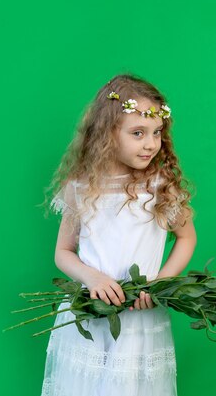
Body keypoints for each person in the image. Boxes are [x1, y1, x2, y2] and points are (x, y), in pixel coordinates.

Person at [39, 73, 197, 396]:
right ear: (108, 133)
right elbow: (63, 252)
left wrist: (160, 283)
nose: (151, 143)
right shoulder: (81, 189)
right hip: (90, 319)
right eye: (138, 133)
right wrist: (92, 278)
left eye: (156, 133)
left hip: (140, 320)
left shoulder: (159, 186)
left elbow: (186, 238)